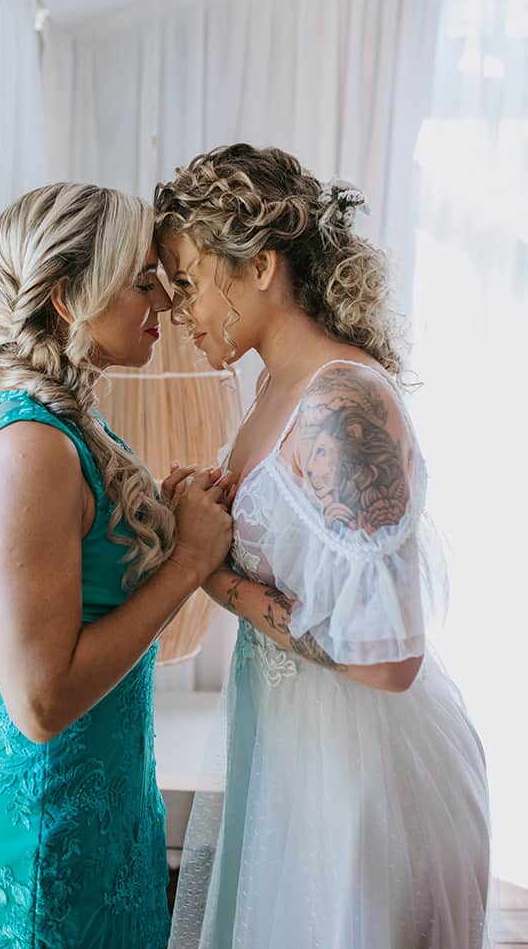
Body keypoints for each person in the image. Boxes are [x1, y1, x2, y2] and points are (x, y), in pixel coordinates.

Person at [155, 144, 491, 949]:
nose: (175, 308)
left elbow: (388, 658)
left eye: (188, 280)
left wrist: (211, 572)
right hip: (294, 759)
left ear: (259, 266)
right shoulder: (275, 384)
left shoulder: (342, 401)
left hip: (363, 786)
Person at [0, 182, 233, 949]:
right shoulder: (29, 449)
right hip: (39, 823)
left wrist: (166, 518)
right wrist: (186, 564)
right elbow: (41, 703)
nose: (163, 300)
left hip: (97, 800)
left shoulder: (69, 425)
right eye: (141, 280)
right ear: (69, 298)